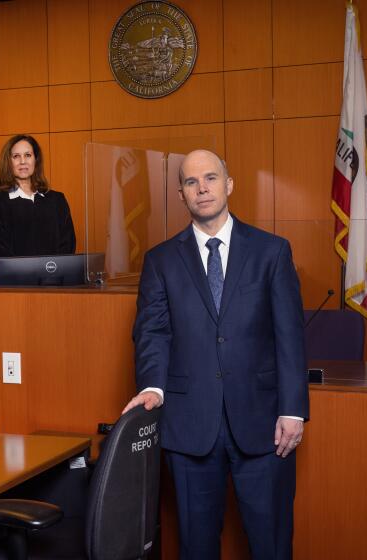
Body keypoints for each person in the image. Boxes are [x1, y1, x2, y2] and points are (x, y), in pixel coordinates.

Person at [123, 150, 308, 559]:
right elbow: (153, 332)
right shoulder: (160, 261)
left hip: (265, 427)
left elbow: (290, 337)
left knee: (271, 544)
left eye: (210, 178)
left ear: (229, 185)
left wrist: (293, 410)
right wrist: (153, 386)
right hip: (189, 429)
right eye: (191, 182)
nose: (202, 188)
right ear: (181, 194)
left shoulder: (272, 252)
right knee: (196, 546)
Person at [0, 134, 76, 259]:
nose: (23, 161)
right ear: (8, 162)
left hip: (54, 276)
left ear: (36, 160)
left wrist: (51, 272)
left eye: (28, 155)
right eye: (16, 156)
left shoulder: (57, 200)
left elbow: (68, 244)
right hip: (14, 277)